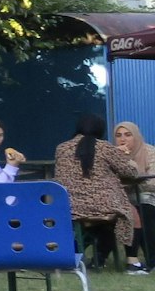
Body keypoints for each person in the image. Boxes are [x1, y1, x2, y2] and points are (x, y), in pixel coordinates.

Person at [53, 113, 146, 273]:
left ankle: (97, 258)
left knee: (104, 225)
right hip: (102, 205)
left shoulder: (61, 148)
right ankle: (132, 261)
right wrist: (124, 157)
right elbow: (130, 172)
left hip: (68, 206)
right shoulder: (105, 147)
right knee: (132, 214)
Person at [112, 121, 155, 266]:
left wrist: (136, 179)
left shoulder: (149, 151)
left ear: (135, 136)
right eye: (118, 135)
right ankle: (132, 259)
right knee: (127, 213)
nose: (122, 139)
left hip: (147, 196)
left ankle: (151, 257)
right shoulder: (112, 154)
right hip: (121, 198)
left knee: (145, 211)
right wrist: (120, 158)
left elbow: (153, 182)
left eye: (128, 135)